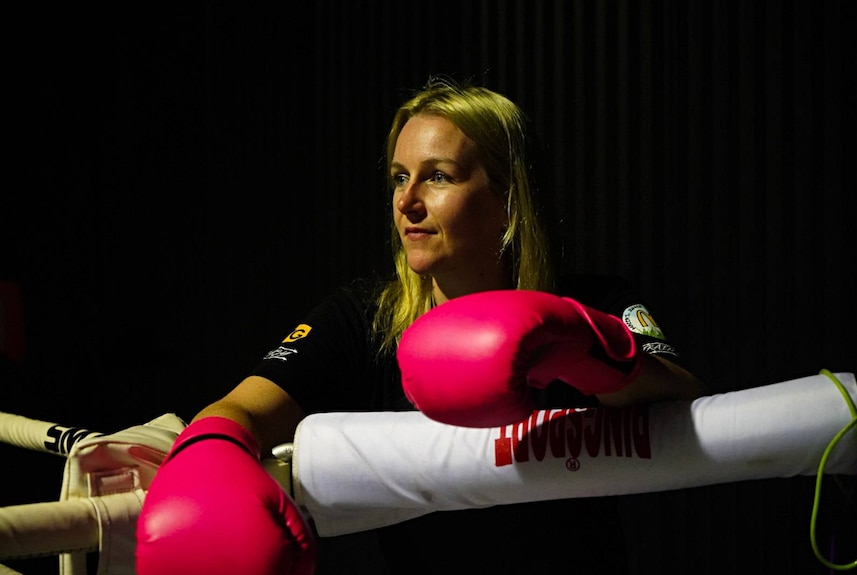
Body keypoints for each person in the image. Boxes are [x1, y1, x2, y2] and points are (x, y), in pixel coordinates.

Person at [136, 75, 709, 574]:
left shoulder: (592, 301)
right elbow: (238, 408)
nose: (407, 201)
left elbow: (686, 400)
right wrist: (212, 452)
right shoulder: (366, 318)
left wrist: (582, 347)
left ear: (508, 198)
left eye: (437, 176)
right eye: (397, 177)